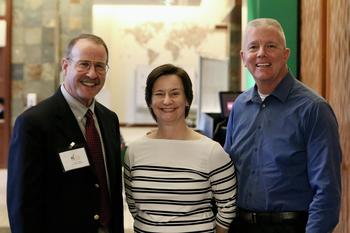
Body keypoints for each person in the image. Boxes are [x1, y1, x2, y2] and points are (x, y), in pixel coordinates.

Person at [224, 18, 342, 233]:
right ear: (243, 57)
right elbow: (227, 173)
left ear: (285, 54)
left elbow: (327, 192)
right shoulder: (240, 106)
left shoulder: (314, 109)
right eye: (253, 47)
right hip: (240, 225)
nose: (261, 53)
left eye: (271, 46)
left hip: (290, 226)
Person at [7, 34, 124, 233]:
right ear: (65, 66)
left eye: (100, 66)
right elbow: (22, 204)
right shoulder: (33, 123)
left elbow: (112, 190)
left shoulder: (109, 119)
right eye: (84, 64)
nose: (92, 74)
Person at [123, 64, 237, 233]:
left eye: (175, 93)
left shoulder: (211, 151)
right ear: (150, 101)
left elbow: (228, 206)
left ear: (187, 99)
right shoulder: (134, 151)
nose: (167, 100)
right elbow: (134, 205)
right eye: (159, 94)